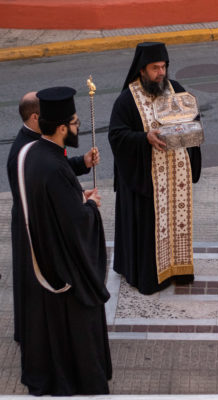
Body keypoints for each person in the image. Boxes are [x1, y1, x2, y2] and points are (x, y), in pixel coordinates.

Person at [18, 87, 111, 395]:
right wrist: (91, 206)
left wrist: (77, 195)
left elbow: (54, 202)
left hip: (44, 258)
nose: (77, 126)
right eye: (74, 122)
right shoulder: (54, 166)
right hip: (63, 269)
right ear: (60, 128)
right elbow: (76, 223)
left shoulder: (34, 152)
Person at [109, 42, 202, 294]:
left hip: (175, 178)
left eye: (163, 67)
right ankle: (149, 277)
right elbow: (116, 136)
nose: (161, 73)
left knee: (176, 223)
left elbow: (193, 118)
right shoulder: (127, 99)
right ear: (141, 70)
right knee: (149, 229)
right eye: (155, 68)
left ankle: (178, 270)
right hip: (145, 180)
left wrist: (191, 127)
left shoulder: (175, 90)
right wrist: (144, 138)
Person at [6, 92, 98, 343]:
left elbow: (57, 169)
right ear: (36, 117)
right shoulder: (22, 151)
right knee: (38, 285)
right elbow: (39, 192)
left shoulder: (41, 142)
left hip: (42, 222)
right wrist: (81, 202)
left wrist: (83, 163)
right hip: (34, 227)